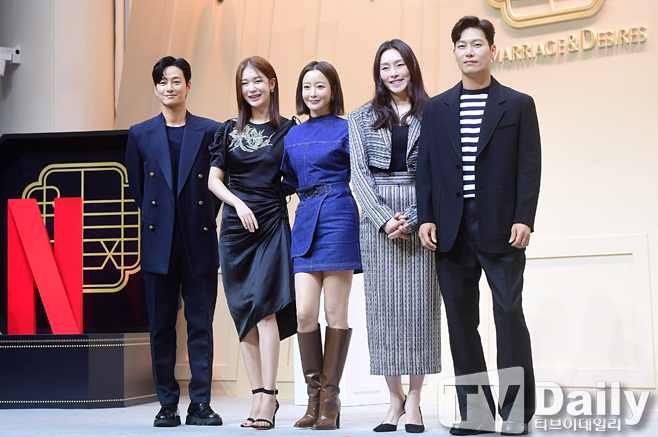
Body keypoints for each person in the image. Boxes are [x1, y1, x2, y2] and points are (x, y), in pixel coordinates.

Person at [417, 16, 541, 436]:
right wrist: (426, 216)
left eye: (477, 44)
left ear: (492, 49)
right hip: (450, 228)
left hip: (503, 226)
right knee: (460, 322)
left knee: (508, 315)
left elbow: (529, 166)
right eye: (462, 45)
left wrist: (525, 217)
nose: (469, 52)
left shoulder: (518, 104)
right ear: (454, 52)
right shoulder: (436, 108)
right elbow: (426, 168)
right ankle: (477, 414)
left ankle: (517, 412)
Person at [348, 39, 441, 434]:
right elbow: (358, 174)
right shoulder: (359, 117)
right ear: (378, 74)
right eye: (385, 67)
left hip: (423, 217)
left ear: (411, 67)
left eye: (399, 64)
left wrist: (415, 218)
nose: (393, 73)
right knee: (383, 312)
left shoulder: (435, 112)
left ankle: (415, 400)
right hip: (377, 221)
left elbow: (441, 170)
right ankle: (394, 399)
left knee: (421, 310)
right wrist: (386, 220)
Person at [125, 56, 223, 427]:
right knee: (162, 328)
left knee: (201, 326)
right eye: (163, 81)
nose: (170, 87)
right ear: (156, 88)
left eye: (177, 80)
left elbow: (216, 187)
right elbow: (138, 189)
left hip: (198, 240)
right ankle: (167, 404)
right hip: (158, 243)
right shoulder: (140, 134)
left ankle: (200, 404)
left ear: (188, 86)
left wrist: (199, 218)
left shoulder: (211, 131)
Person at [207, 56, 297, 431]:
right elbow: (214, 180)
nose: (252, 88)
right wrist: (239, 203)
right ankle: (256, 395)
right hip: (235, 228)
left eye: (258, 80)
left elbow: (296, 177)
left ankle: (270, 397)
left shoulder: (288, 129)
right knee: (243, 310)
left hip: (271, 225)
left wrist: (271, 200)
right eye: (245, 83)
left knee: (266, 310)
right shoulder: (228, 130)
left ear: (272, 83)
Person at [280, 61, 362, 431]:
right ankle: (313, 400)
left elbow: (363, 175)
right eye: (307, 87)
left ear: (333, 90)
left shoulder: (347, 128)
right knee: (304, 313)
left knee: (334, 312)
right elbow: (284, 181)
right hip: (305, 216)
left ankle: (330, 399)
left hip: (339, 215)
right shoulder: (292, 135)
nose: (313, 93)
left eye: (320, 86)